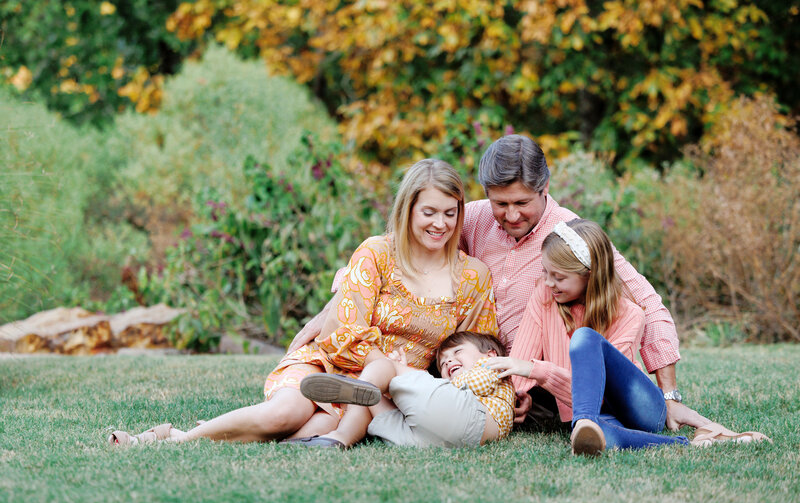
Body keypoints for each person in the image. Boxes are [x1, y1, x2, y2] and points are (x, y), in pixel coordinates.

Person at [290, 134, 709, 433]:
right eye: (500, 204)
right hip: (484, 371)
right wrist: (337, 301)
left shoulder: (569, 235)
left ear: (545, 189)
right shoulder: (471, 216)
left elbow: (646, 302)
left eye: (521, 203)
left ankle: (365, 412)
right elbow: (396, 252)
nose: (509, 215)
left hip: (548, 382)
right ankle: (343, 415)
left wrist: (668, 396)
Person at [108, 159, 498, 446]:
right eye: (428, 212)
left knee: (316, 431)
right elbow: (342, 331)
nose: (440, 224)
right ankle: (171, 438)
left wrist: (497, 390)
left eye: (450, 213)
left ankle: (211, 430)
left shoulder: (472, 278)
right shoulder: (377, 254)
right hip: (329, 364)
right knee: (287, 413)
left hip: (388, 393)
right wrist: (381, 366)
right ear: (408, 209)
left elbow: (480, 347)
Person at [484, 219, 691, 455]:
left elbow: (599, 393)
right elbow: (521, 359)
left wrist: (537, 371)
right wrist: (514, 397)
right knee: (596, 437)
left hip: (637, 406)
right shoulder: (545, 296)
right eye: (545, 272)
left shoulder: (630, 314)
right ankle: (679, 443)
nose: (549, 283)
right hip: (596, 416)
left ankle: (585, 422)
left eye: (559, 277)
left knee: (584, 338)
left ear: (589, 276)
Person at [297, 331, 515, 448]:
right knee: (376, 400)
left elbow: (473, 384)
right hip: (441, 441)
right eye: (443, 363)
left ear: (490, 354)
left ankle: (369, 382)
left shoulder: (494, 367)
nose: (448, 362)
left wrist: (404, 373)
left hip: (473, 418)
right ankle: (338, 438)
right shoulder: (461, 386)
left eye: (457, 352)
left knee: (389, 367)